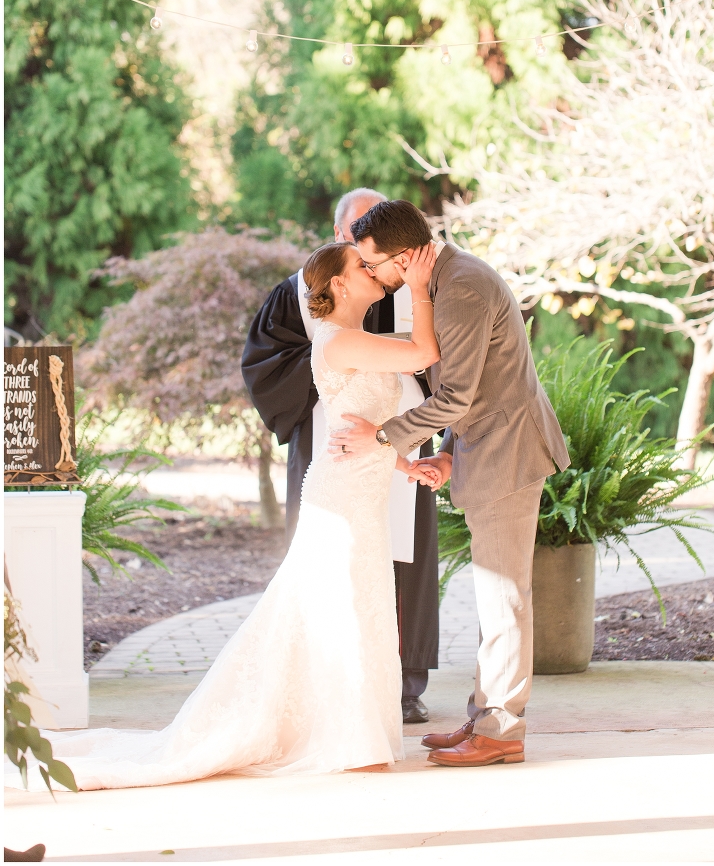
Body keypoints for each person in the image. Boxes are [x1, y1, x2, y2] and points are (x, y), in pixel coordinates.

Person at [27, 242, 441, 789]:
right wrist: (420, 283)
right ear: (339, 285)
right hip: (340, 502)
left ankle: (352, 733)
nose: (373, 271)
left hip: (360, 492)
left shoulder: (360, 340)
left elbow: (359, 430)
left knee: (353, 609)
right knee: (341, 611)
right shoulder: (340, 341)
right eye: (361, 267)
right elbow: (423, 355)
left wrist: (408, 466)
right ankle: (345, 738)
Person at [327, 200, 570, 769]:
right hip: (486, 449)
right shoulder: (448, 281)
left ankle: (501, 730)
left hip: (508, 454)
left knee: (505, 596)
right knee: (495, 595)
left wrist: (384, 438)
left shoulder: (460, 288)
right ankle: (486, 717)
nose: (376, 278)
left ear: (406, 256)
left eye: (375, 264)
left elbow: (457, 395)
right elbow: (480, 387)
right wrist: (448, 455)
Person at [241, 188, 440, 724]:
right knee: (342, 576)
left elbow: (437, 361)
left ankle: (402, 684)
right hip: (335, 452)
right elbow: (267, 364)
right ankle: (329, 695)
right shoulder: (298, 299)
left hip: (387, 451)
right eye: (358, 243)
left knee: (391, 571)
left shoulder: (394, 290)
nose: (372, 262)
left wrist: (404, 456)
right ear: (338, 241)